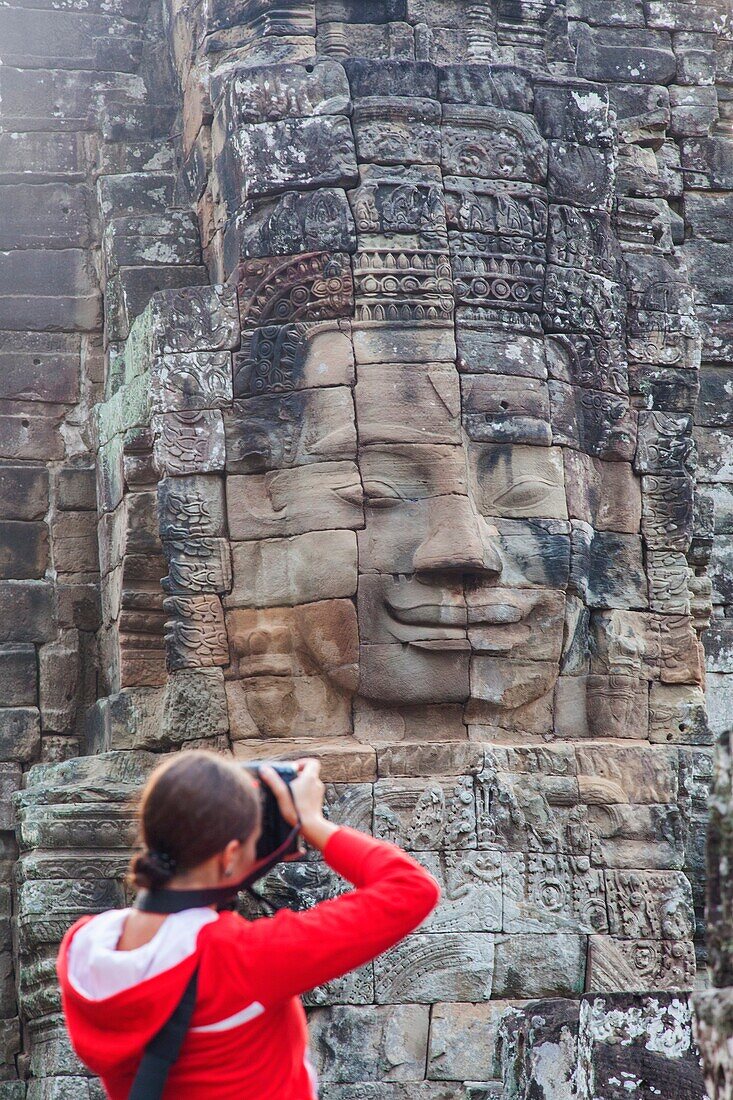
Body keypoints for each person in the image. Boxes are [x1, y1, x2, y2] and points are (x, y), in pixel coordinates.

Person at [56, 750, 441, 1099]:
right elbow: (410, 889)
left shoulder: (82, 948)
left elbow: (189, 918)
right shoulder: (242, 958)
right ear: (231, 855)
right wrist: (311, 822)